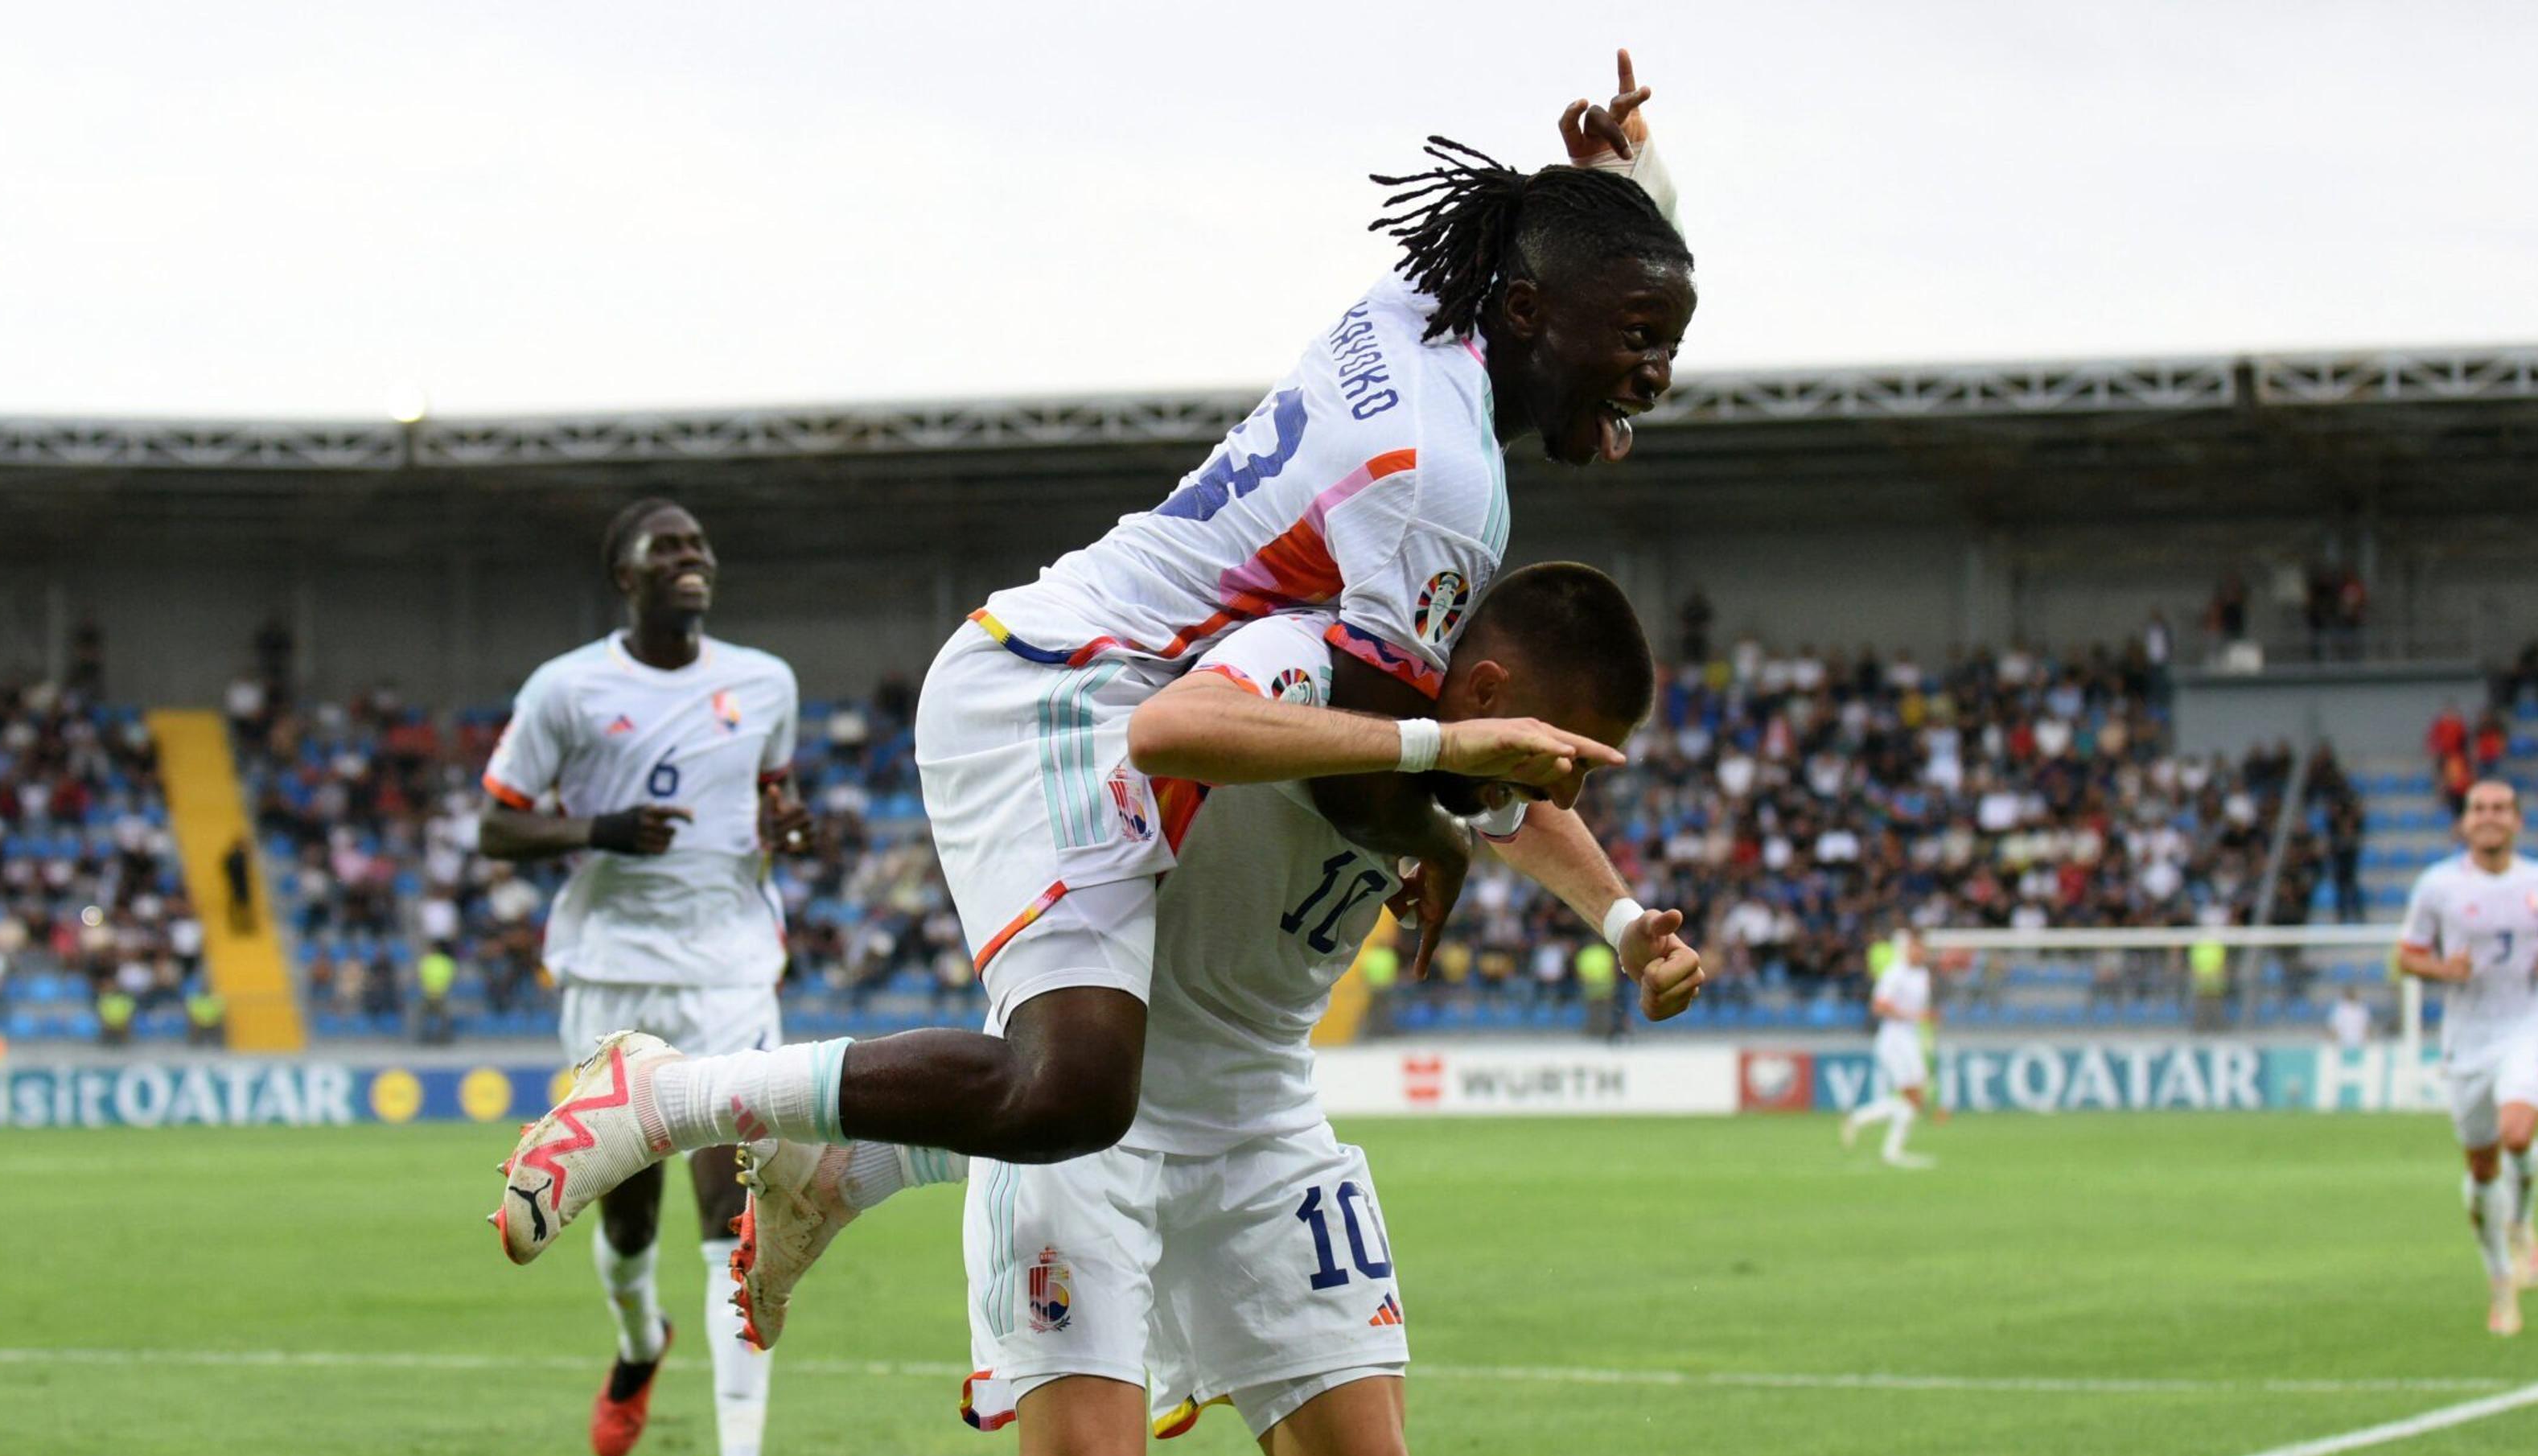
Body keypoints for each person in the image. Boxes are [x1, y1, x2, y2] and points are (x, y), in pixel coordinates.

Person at [488, 59, 1695, 1294]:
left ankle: (843, 1171)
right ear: (1538, 314)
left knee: (1165, 1075)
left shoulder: (1422, 305)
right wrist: (1440, 845)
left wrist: (1626, 184)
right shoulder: (1439, 489)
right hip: (1069, 694)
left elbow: (1585, 264)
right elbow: (1372, 776)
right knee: (1074, 1090)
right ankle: (669, 1095)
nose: (1657, 375)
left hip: (1111, 676)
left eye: (1669, 346)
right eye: (1642, 344)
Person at [776, 576, 1701, 1456]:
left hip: (1266, 1120)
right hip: (1100, 1100)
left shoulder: (1477, 755)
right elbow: (1173, 725)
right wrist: (1437, 762)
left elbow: (1518, 810)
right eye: (1544, 749)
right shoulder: (1292, 664)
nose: (1543, 787)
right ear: (1483, 695)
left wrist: (1623, 924)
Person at [476, 498, 815, 1456]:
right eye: (665, 549)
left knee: (732, 1218)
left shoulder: (765, 682)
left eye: (699, 546)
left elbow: (773, 793)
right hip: (609, 977)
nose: (690, 560)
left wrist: (788, 820)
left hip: (726, 976)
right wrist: (598, 830)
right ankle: (638, 1342)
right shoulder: (567, 689)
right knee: (627, 1223)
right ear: (623, 577)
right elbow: (496, 822)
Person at [2398, 779, 2538, 1338]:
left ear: (2518, 820)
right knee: (2481, 1167)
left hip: (2527, 1024)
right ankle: (2500, 1279)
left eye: (2499, 808)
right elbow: (2406, 955)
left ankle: (2521, 1222)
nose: (2489, 817)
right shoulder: (2438, 887)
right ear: (2465, 823)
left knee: (2516, 1133)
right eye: (2478, 809)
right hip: (2468, 1040)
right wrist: (2443, 971)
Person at [1840, 927, 1935, 1169]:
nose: (1920, 952)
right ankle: (1883, 1143)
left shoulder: (1922, 974)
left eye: (1922, 948)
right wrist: (1914, 1015)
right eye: (1916, 947)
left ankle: (1870, 1130)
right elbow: (1879, 1006)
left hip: (1910, 1039)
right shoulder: (1895, 974)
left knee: (1916, 1097)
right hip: (1894, 1040)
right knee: (1912, 1097)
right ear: (1907, 949)